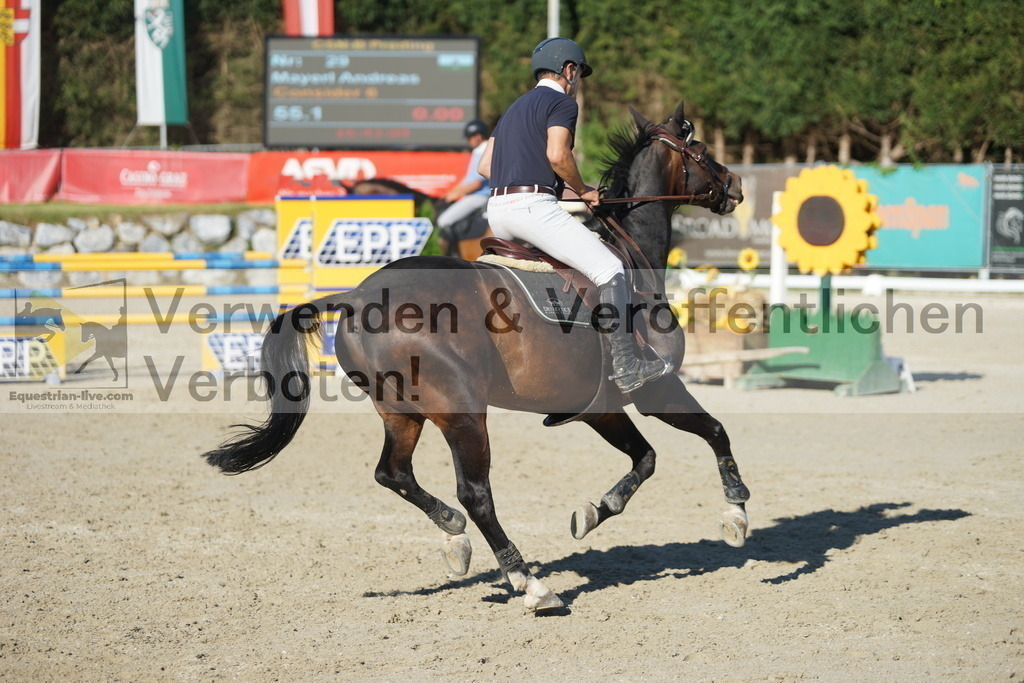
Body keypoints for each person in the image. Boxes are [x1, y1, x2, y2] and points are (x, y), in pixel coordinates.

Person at [476, 37, 670, 394]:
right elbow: (558, 156)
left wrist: (553, 188)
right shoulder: (561, 102)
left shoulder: (512, 110)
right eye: (578, 72)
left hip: (497, 210)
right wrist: (581, 190)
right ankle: (626, 365)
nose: (578, 80)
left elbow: (486, 165)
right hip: (531, 210)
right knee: (610, 269)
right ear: (569, 69)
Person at [435, 119, 491, 240]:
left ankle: (455, 254)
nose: (467, 141)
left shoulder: (483, 152)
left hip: (479, 196)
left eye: (468, 138)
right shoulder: (480, 151)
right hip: (476, 195)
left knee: (443, 221)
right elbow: (467, 179)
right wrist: (452, 192)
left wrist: (456, 194)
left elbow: (475, 184)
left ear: (477, 136)